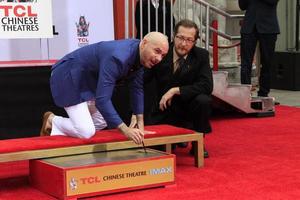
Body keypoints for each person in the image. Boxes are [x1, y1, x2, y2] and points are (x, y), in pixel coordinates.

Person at [40, 32, 169, 145]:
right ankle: (53, 121)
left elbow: (137, 88)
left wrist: (140, 124)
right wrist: (126, 130)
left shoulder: (139, 54)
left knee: (102, 120)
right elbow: (102, 100)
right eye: (157, 51)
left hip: (88, 80)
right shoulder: (118, 57)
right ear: (144, 43)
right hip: (68, 76)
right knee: (86, 132)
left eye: (163, 55)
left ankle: (72, 127)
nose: (159, 59)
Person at [132, 19, 213, 157]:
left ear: (195, 41)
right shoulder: (161, 52)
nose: (183, 44)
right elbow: (143, 81)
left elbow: (207, 85)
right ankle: (176, 139)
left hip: (187, 107)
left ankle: (197, 142)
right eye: (180, 38)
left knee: (203, 100)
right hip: (163, 109)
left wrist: (176, 90)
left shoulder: (201, 55)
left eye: (189, 40)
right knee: (157, 151)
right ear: (173, 36)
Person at [239, 0, 280, 97]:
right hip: (249, 26)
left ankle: (263, 94)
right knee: (245, 64)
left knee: (266, 63)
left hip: (268, 27)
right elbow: (242, 5)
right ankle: (245, 94)